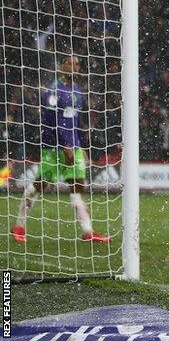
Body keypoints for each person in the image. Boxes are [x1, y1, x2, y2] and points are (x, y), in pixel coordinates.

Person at [10, 56, 110, 243]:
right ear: (62, 66)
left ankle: (88, 231)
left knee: (78, 186)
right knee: (40, 185)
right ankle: (19, 226)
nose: (74, 67)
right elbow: (51, 121)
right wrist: (65, 145)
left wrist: (80, 145)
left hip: (74, 146)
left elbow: (75, 121)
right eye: (70, 63)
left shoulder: (78, 90)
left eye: (77, 64)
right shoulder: (53, 90)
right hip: (53, 147)